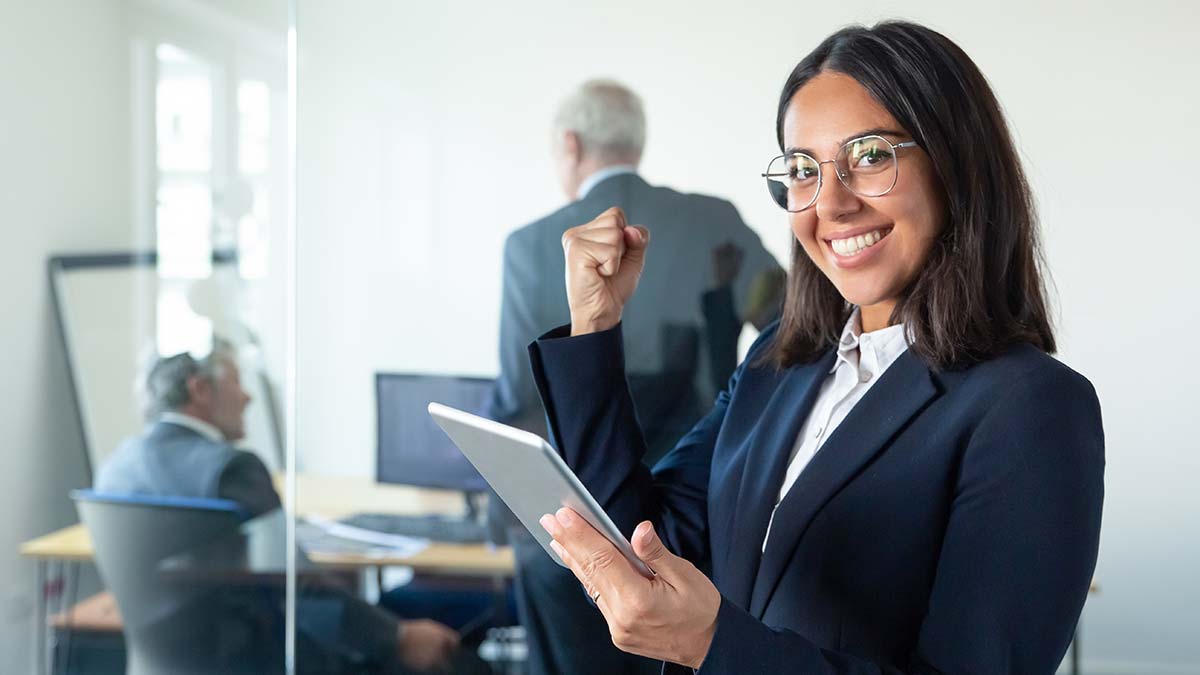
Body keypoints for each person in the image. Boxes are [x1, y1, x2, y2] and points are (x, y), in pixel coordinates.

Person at [532, 21, 1104, 674]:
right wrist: (595, 326)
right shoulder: (782, 362)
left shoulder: (1030, 408)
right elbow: (640, 544)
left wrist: (711, 644)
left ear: (954, 162)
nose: (830, 203)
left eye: (869, 156)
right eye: (803, 169)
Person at [485, 79, 783, 675]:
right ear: (635, 143)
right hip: (696, 529)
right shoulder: (714, 220)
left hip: (570, 531)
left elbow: (519, 393)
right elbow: (796, 330)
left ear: (570, 145)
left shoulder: (528, 246)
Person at [96, 338, 462, 674]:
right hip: (261, 661)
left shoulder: (114, 469)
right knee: (462, 662)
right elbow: (297, 587)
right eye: (236, 382)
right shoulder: (231, 470)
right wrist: (396, 637)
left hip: (159, 665)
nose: (247, 398)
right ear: (200, 389)